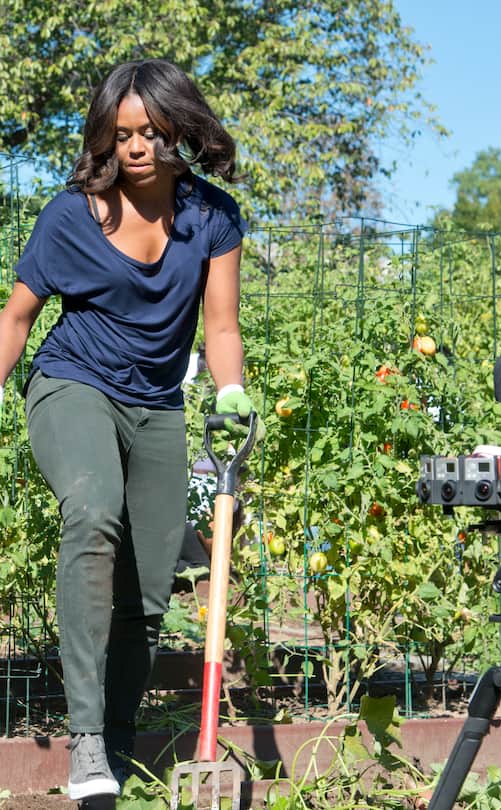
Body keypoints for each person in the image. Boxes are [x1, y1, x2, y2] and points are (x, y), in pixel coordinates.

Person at [0, 58, 259, 804]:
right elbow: (18, 317)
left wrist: (232, 388)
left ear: (180, 128)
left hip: (159, 405)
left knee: (148, 588)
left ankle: (115, 739)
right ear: (107, 136)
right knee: (92, 511)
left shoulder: (213, 217)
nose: (138, 146)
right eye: (124, 133)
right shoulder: (72, 214)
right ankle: (84, 739)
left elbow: (221, 325)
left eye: (151, 131)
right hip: (72, 384)